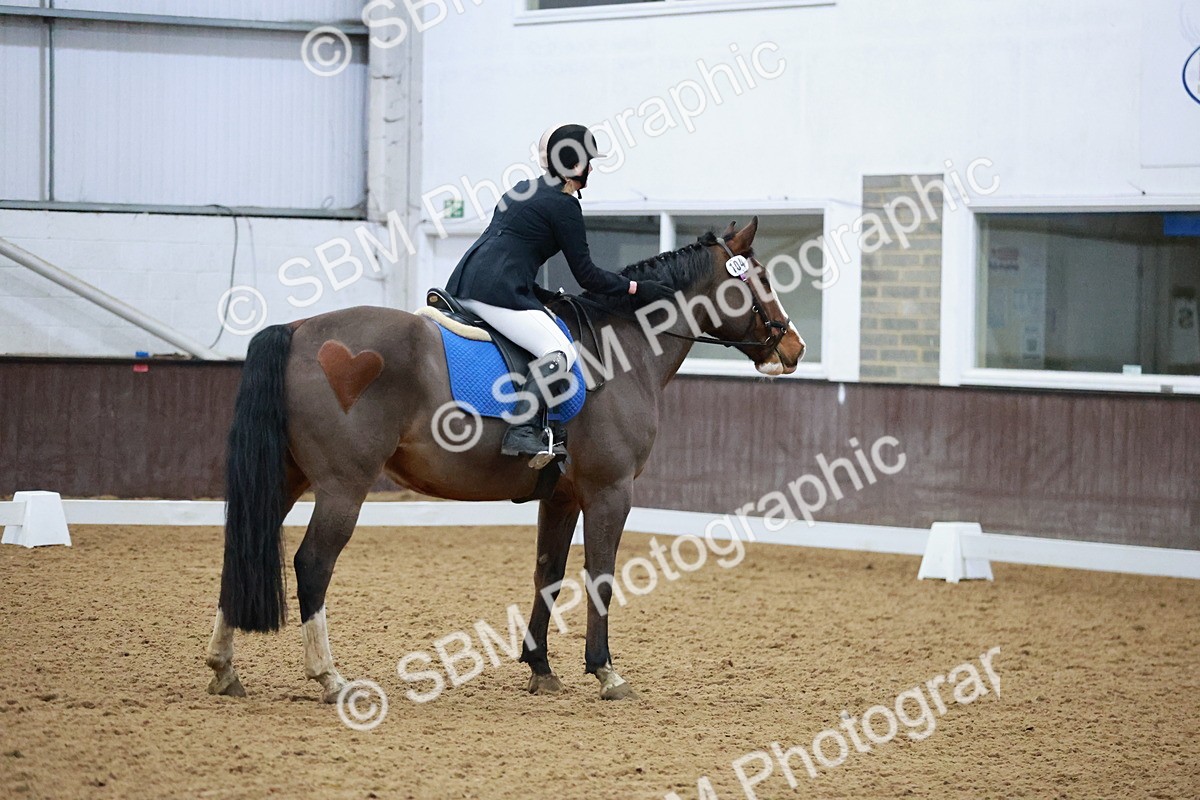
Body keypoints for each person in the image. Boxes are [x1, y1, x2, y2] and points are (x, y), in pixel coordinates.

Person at [445, 123, 674, 468]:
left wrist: (539, 293)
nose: (592, 169)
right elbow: (587, 275)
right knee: (560, 351)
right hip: (496, 294)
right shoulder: (565, 206)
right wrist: (636, 288)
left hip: (464, 283)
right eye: (588, 162)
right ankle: (523, 430)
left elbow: (509, 252)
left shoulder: (521, 189)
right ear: (574, 163)